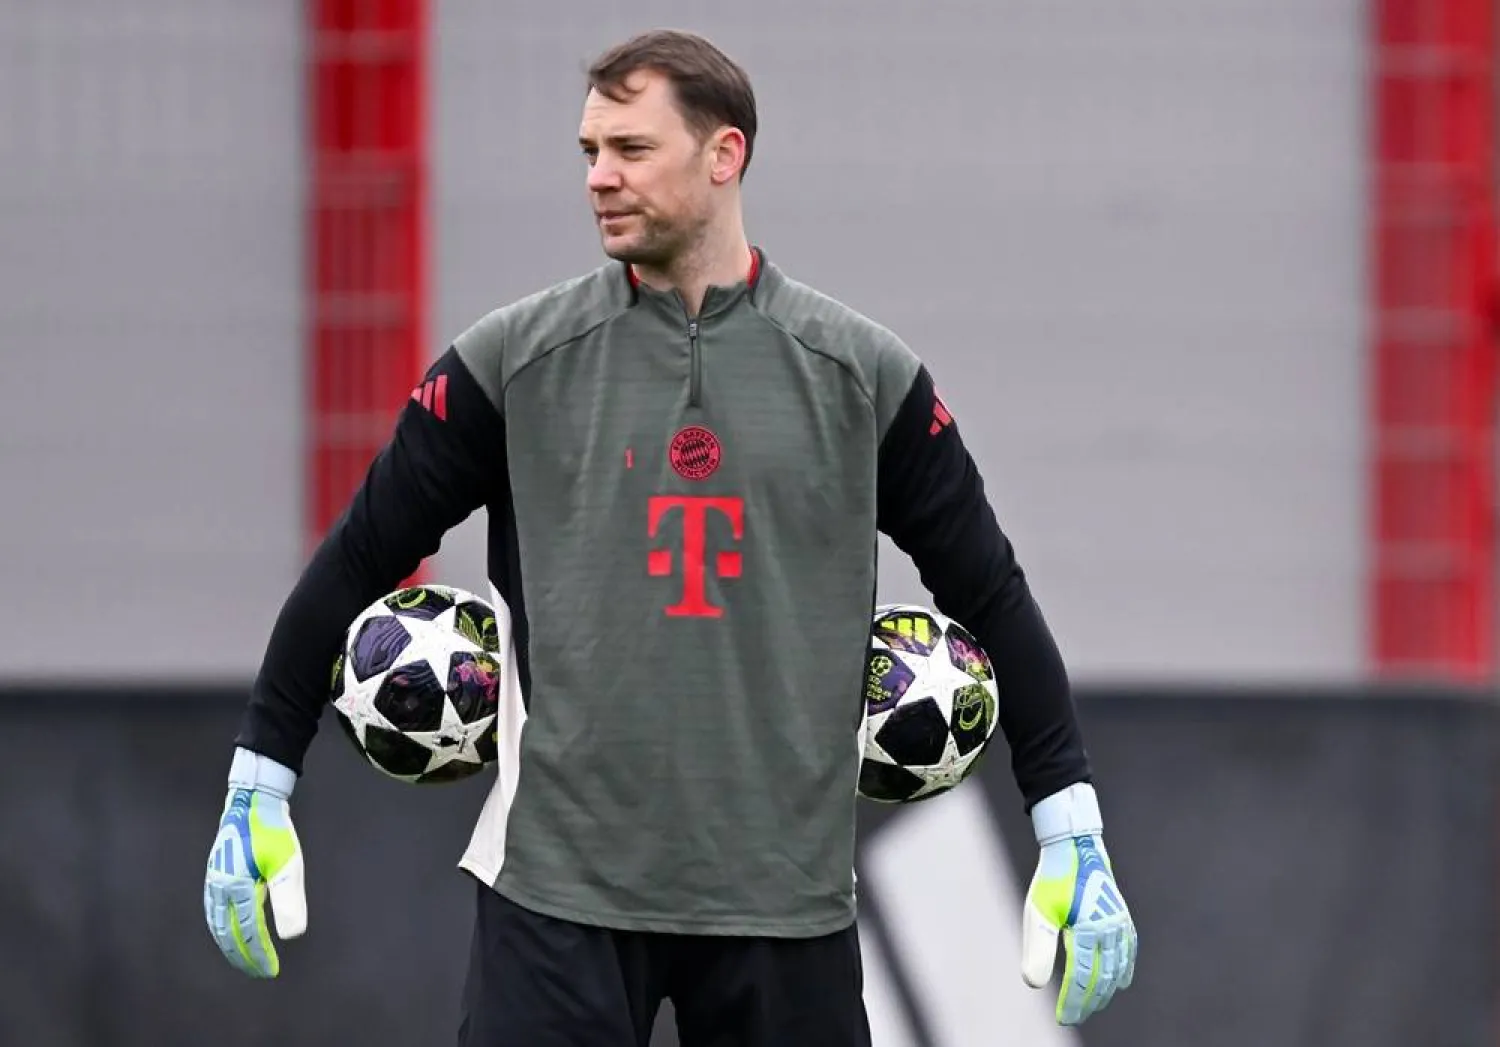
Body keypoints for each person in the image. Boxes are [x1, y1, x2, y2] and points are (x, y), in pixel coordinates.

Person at [203, 27, 1138, 1046]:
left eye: (631, 150)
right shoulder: (512, 362)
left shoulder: (860, 374)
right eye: (588, 152)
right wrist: (262, 774)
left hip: (783, 905)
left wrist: (1069, 822)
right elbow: (357, 557)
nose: (599, 177)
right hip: (556, 898)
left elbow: (988, 591)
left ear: (723, 154)